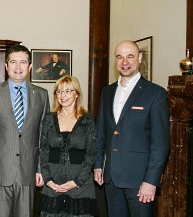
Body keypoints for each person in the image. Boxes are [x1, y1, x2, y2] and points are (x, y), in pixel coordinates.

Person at [94, 40, 170, 217]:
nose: (124, 62)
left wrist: (151, 181)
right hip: (111, 179)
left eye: (130, 56)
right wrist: (98, 164)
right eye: (119, 57)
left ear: (140, 58)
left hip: (140, 182)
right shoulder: (107, 91)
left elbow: (160, 144)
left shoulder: (155, 94)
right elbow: (101, 133)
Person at [0, 44, 50, 216]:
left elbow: (43, 135)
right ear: (6, 66)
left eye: (23, 62)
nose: (18, 67)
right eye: (13, 62)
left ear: (30, 67)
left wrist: (40, 168)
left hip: (29, 170)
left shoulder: (41, 95)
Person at [40, 75, 98, 217]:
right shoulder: (48, 118)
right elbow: (43, 151)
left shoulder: (87, 120)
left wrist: (77, 181)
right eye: (59, 91)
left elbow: (91, 154)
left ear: (76, 93)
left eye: (67, 91)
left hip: (80, 185)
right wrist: (48, 180)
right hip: (53, 184)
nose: (62, 95)